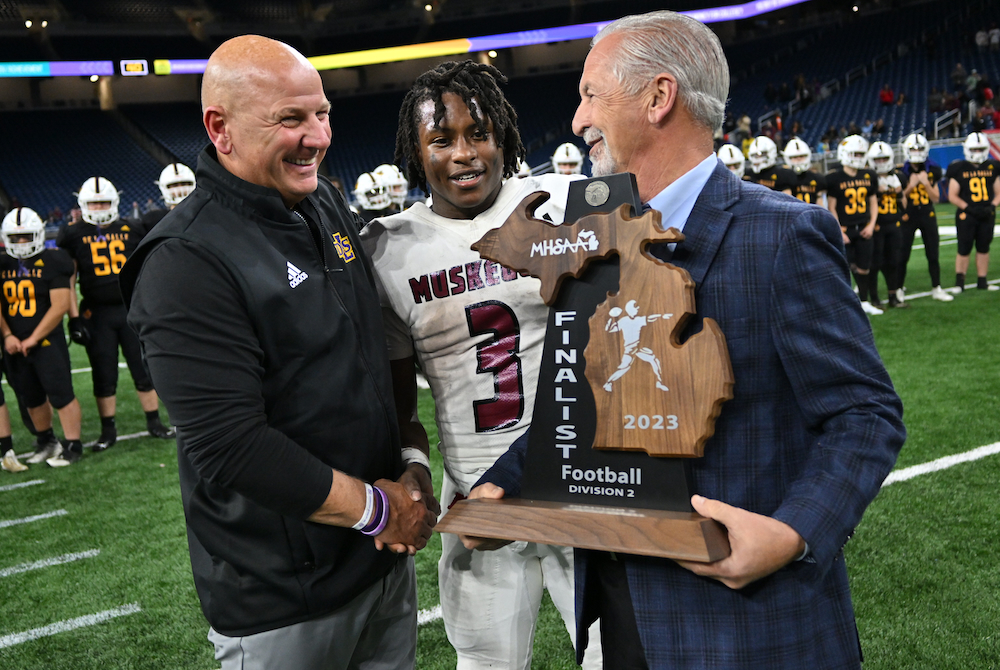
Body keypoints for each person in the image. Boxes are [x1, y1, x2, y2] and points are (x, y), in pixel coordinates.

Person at [461, 10, 905, 669]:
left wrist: (791, 532)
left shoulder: (783, 236)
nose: (578, 120)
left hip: (746, 627)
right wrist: (502, 490)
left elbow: (865, 413)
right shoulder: (597, 231)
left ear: (658, 97)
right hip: (620, 615)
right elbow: (581, 404)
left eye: (590, 94)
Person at [119, 35, 437, 670]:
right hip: (284, 597)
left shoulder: (319, 200)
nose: (317, 136)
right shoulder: (185, 259)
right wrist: (381, 510)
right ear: (221, 128)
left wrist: (410, 458)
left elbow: (371, 354)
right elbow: (229, 444)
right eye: (290, 119)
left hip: (378, 563)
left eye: (321, 113)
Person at [361, 59, 601, 670]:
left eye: (480, 134)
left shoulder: (564, 204)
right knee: (486, 661)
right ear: (415, 155)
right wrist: (413, 471)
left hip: (586, 475)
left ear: (505, 139)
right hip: (477, 495)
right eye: (441, 139)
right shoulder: (387, 249)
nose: (464, 153)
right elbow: (397, 405)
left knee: (616, 654)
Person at [58, 176, 174, 451]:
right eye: (93, 203)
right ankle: (107, 430)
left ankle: (154, 422)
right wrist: (74, 317)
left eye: (104, 203)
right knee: (104, 372)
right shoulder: (73, 234)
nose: (99, 208)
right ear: (83, 204)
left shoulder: (134, 227)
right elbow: (69, 279)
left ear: (116, 202)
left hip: (131, 309)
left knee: (143, 368)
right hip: (96, 313)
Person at [0, 207, 84, 467]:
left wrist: (34, 338)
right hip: (14, 342)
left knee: (61, 394)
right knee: (30, 396)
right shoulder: (3, 262)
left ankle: (73, 445)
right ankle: (47, 441)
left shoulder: (54, 260)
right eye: (16, 238)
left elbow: (59, 306)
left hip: (46, 341)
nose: (22, 242)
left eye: (26, 236)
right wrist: (7, 335)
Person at [827, 135, 882, 315]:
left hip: (864, 227)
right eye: (854, 153)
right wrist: (838, 231)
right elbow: (831, 207)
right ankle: (846, 303)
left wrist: (871, 224)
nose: (858, 157)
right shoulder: (835, 178)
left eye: (860, 154)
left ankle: (864, 301)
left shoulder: (869, 175)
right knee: (845, 267)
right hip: (845, 229)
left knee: (865, 266)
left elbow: (874, 202)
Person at [899, 133, 952, 302]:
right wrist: (911, 186)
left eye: (919, 148)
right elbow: (900, 199)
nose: (916, 152)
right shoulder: (901, 171)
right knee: (903, 253)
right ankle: (899, 287)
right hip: (908, 215)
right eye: (913, 149)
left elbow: (936, 198)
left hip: (927, 213)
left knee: (933, 252)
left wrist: (926, 184)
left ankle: (936, 287)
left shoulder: (933, 169)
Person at [946, 132, 1000, 291]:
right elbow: (952, 195)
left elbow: (998, 192)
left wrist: (992, 206)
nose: (977, 153)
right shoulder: (959, 167)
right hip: (967, 214)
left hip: (986, 213)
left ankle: (982, 281)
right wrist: (968, 208)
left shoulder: (993, 166)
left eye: (980, 149)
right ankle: (959, 283)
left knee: (984, 247)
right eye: (974, 149)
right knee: (964, 248)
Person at [866, 141, 907, 309]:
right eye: (878, 159)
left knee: (894, 262)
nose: (881, 163)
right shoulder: (868, 178)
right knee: (875, 263)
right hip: (876, 226)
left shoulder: (898, 177)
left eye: (884, 159)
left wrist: (899, 193)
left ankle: (893, 296)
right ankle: (874, 298)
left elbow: (903, 203)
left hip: (893, 224)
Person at [781, 136, 826, 206]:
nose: (799, 160)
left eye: (802, 156)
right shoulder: (783, 178)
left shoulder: (817, 178)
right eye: (795, 157)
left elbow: (820, 204)